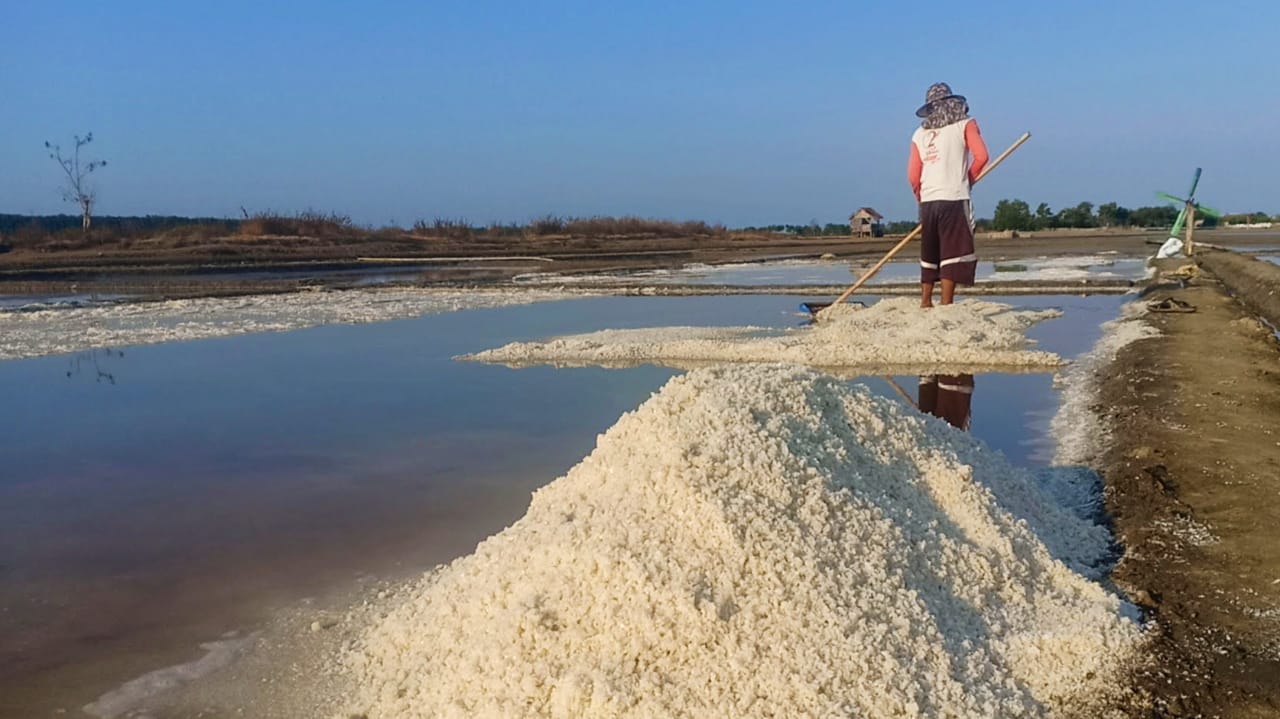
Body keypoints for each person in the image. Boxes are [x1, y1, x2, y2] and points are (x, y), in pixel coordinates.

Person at [907, 82, 989, 308]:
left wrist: (921, 198)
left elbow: (913, 176)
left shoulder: (919, 134)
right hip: (954, 196)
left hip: (929, 200)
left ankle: (925, 302)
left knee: (930, 250)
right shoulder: (966, 124)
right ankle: (946, 303)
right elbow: (981, 157)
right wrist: (968, 180)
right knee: (952, 251)